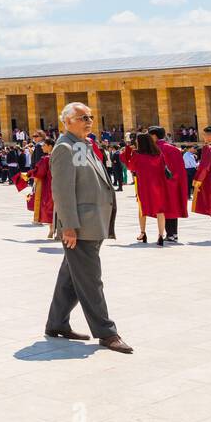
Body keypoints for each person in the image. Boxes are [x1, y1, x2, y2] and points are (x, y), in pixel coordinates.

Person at [45, 102, 131, 354]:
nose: (89, 121)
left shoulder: (81, 145)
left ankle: (56, 323)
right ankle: (107, 332)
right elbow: (62, 190)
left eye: (90, 116)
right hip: (81, 227)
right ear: (68, 121)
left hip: (93, 222)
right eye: (83, 117)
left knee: (71, 276)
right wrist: (69, 226)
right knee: (91, 280)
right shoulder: (64, 148)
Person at [120, 133, 169, 244]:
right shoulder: (158, 154)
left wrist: (129, 150)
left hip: (144, 185)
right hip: (158, 185)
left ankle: (143, 233)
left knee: (142, 209)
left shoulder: (137, 155)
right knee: (160, 210)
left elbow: (130, 166)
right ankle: (161, 235)